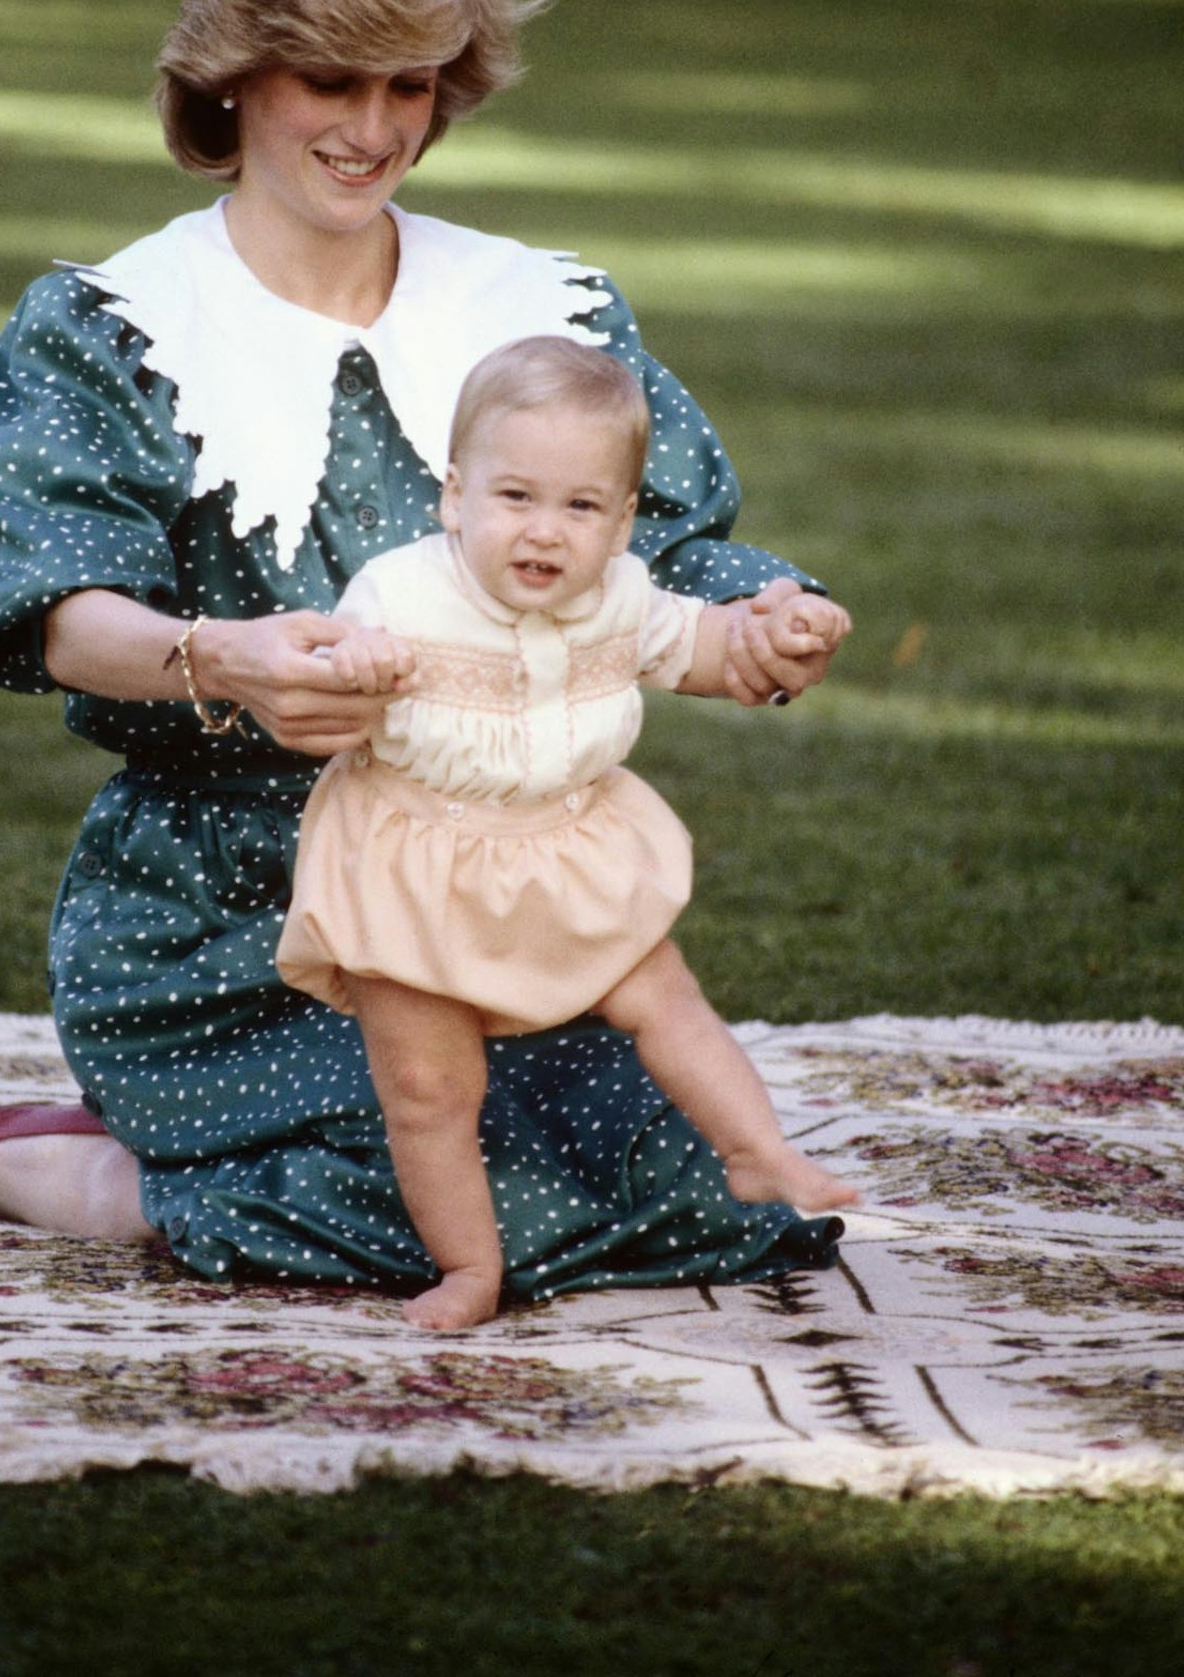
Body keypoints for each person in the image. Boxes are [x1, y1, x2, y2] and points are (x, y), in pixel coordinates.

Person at [0, 0, 849, 1313]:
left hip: (493, 898)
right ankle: (61, 1166)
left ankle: (211, 1165)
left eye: (407, 84)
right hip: (232, 911)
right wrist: (226, 659)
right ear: (230, 76)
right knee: (413, 1204)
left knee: (690, 1198)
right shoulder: (112, 326)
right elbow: (59, 614)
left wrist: (767, 616)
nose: (372, 127)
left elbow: (668, 546)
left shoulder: (538, 309)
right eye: (329, 79)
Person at [277, 335, 858, 1329]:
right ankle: (469, 1267)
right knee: (428, 1085)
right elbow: (327, 677)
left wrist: (778, 631)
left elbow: (708, 649)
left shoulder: (621, 597)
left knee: (663, 993)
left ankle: (756, 1147)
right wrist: (353, 667)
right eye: (516, 498)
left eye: (582, 507)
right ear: (456, 497)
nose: (546, 532)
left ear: (623, 519)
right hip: (413, 862)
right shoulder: (401, 593)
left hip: (560, 847)